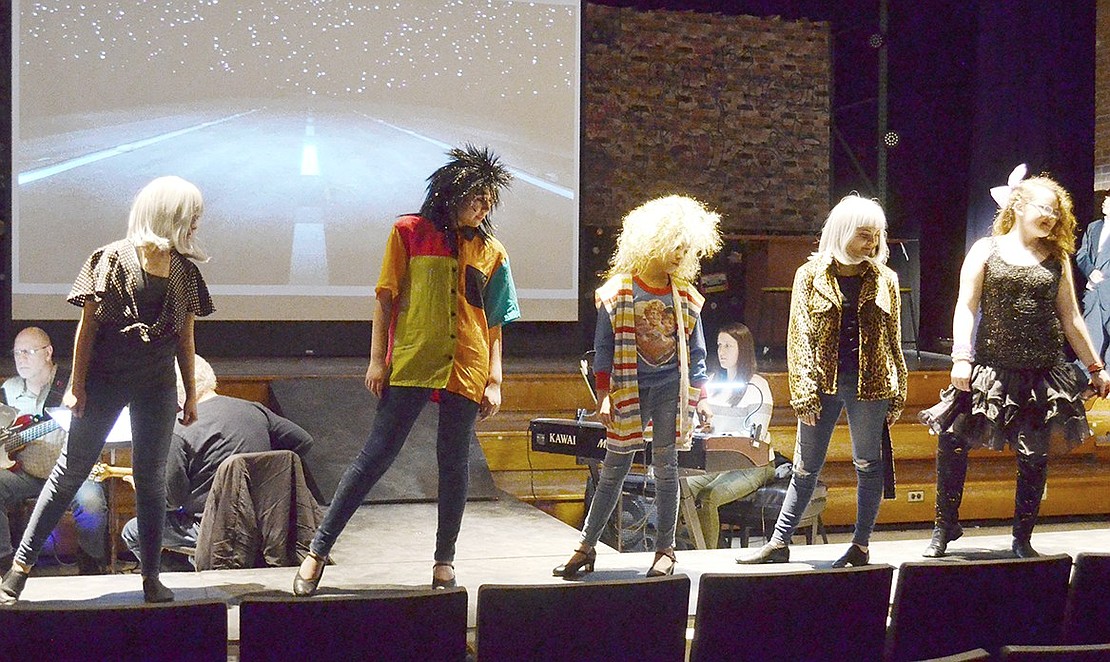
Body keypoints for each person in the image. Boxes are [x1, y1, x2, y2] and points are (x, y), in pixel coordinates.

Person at [293, 145, 519, 597]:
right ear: (453, 193)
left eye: (490, 200)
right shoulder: (408, 233)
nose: (484, 207)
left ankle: (444, 561)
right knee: (374, 457)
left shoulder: (492, 251)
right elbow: (385, 298)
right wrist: (377, 358)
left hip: (467, 366)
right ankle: (317, 552)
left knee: (454, 465)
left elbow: (495, 320)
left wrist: (495, 377)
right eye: (478, 197)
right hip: (413, 360)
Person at [0, 175, 214, 604]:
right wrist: (76, 387)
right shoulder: (111, 259)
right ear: (169, 215)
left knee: (150, 481)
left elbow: (185, 338)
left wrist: (189, 392)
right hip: (104, 382)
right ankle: (19, 570)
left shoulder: (184, 272)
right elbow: (87, 328)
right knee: (70, 472)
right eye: (191, 216)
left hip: (155, 386)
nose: (195, 224)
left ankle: (150, 576)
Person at [920, 166, 1110, 559]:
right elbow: (966, 307)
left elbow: (1072, 318)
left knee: (1034, 456)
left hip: (1042, 372)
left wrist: (1095, 366)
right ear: (1019, 206)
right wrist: (961, 356)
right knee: (953, 441)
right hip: (990, 367)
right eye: (1046, 208)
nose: (1052, 217)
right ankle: (945, 526)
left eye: (1057, 211)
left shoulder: (1055, 258)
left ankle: (1022, 536)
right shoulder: (985, 249)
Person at [553, 194, 720, 579]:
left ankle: (666, 550)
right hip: (630, 388)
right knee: (614, 467)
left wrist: (702, 396)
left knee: (667, 467)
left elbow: (697, 353)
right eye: (673, 246)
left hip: (668, 390)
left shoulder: (687, 299)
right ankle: (586, 545)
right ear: (651, 242)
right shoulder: (618, 292)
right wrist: (604, 393)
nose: (680, 254)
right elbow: (604, 349)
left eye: (685, 248)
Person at [737, 193, 907, 567]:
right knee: (805, 466)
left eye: (875, 236)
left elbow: (893, 338)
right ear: (842, 231)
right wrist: (802, 390)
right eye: (864, 234)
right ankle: (779, 542)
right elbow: (798, 336)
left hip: (872, 384)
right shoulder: (809, 275)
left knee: (868, 464)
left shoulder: (885, 280)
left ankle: (861, 545)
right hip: (821, 384)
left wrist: (899, 391)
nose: (872, 243)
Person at [120, 355, 314, 568]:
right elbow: (303, 441)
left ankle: (185, 585)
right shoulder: (254, 409)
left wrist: (143, 488)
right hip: (270, 523)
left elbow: (171, 501)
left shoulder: (177, 429)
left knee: (133, 531)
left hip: (215, 529)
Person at [1, 327, 107, 575]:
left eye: (28, 352)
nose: (21, 359)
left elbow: (98, 424)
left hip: (71, 474)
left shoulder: (74, 386)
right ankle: (6, 564)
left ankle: (91, 565)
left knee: (92, 503)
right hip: (25, 474)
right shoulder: (8, 390)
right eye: (17, 353)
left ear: (48, 352)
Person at [684, 322, 791, 549]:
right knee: (680, 490)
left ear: (742, 349)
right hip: (716, 461)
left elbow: (755, 438)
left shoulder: (757, 385)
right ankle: (684, 547)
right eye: (719, 345)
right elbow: (696, 423)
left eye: (728, 346)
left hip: (752, 464)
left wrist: (720, 435)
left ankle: (707, 554)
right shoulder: (712, 383)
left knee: (708, 496)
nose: (721, 352)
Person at [1075, 190, 1110, 365]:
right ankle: (1086, 371)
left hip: (1109, 288)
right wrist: (1090, 272)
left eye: (1108, 200)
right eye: (1104, 199)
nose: (1104, 202)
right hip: (1093, 289)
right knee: (1090, 332)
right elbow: (1081, 255)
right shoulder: (1093, 227)